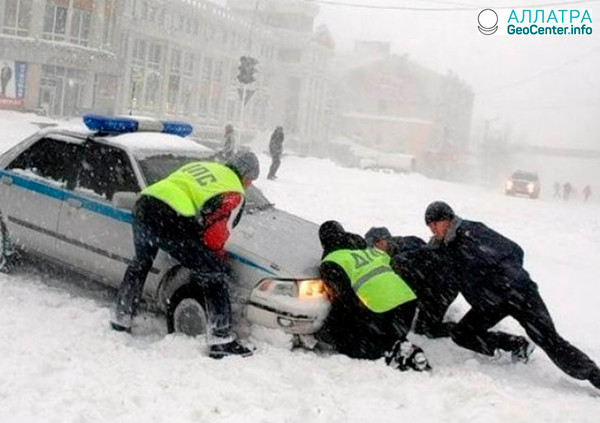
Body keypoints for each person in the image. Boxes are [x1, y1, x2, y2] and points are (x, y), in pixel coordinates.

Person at [424, 201, 600, 390]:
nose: (433, 229)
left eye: (436, 223)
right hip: (493, 302)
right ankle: (516, 345)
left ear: (448, 219)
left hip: (520, 294)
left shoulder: (472, 232)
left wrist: (507, 280)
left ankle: (594, 376)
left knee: (549, 340)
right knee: (462, 334)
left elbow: (514, 250)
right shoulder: (447, 246)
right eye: (430, 225)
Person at [111, 151, 260, 359]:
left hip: (144, 203)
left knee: (141, 262)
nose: (249, 184)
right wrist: (215, 256)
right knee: (213, 272)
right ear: (245, 175)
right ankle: (221, 339)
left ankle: (121, 316)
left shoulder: (206, 167)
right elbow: (214, 236)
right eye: (251, 179)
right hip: (171, 215)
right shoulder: (234, 190)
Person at [316, 221, 430, 371]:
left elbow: (343, 300)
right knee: (384, 332)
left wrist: (331, 327)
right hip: (407, 305)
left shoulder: (332, 261)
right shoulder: (370, 251)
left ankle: (394, 351)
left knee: (349, 342)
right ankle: (399, 345)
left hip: (381, 310)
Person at [365, 226, 459, 338]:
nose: (376, 248)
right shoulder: (405, 243)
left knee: (426, 329)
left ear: (385, 239)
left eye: (377, 243)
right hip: (436, 281)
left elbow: (407, 295)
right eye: (372, 246)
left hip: (442, 288)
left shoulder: (401, 259)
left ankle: (462, 330)